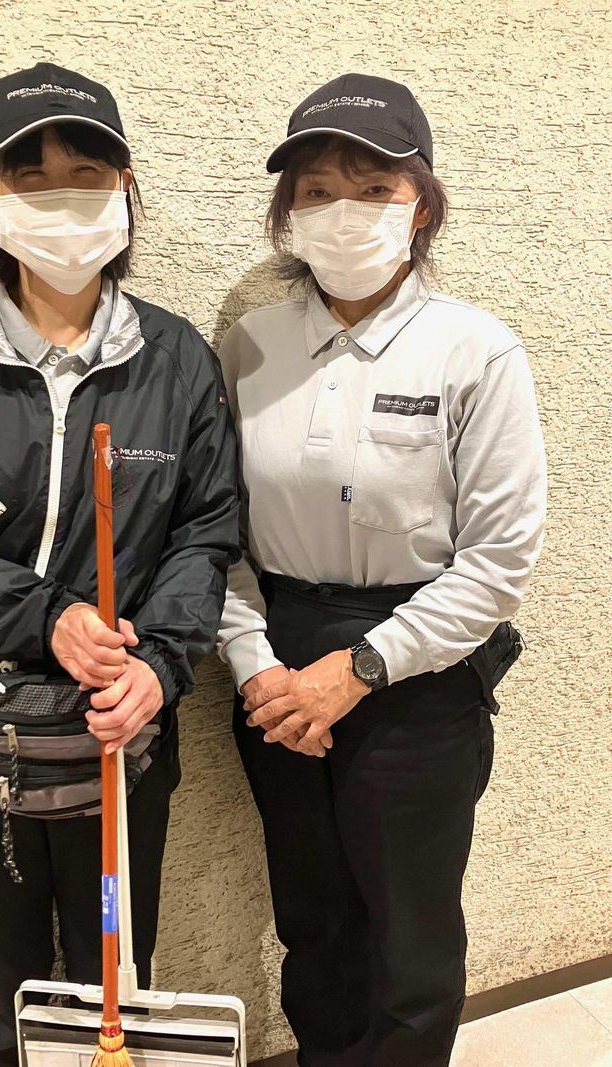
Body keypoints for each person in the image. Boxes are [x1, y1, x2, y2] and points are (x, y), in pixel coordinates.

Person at [0, 62, 238, 1067]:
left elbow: (205, 529)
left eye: (86, 173)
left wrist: (160, 661)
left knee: (115, 977)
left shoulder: (176, 360)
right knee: (4, 994)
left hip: (120, 729)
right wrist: (46, 617)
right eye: (30, 176)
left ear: (125, 188)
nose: (61, 197)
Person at [216, 73, 547, 1067]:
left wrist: (359, 668)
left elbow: (497, 562)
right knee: (312, 919)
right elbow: (214, 531)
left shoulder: (475, 351)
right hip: (276, 660)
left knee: (409, 938)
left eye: (373, 187)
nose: (342, 210)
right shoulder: (249, 347)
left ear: (421, 205)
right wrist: (257, 670)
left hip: (419, 669)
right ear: (287, 212)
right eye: (316, 190)